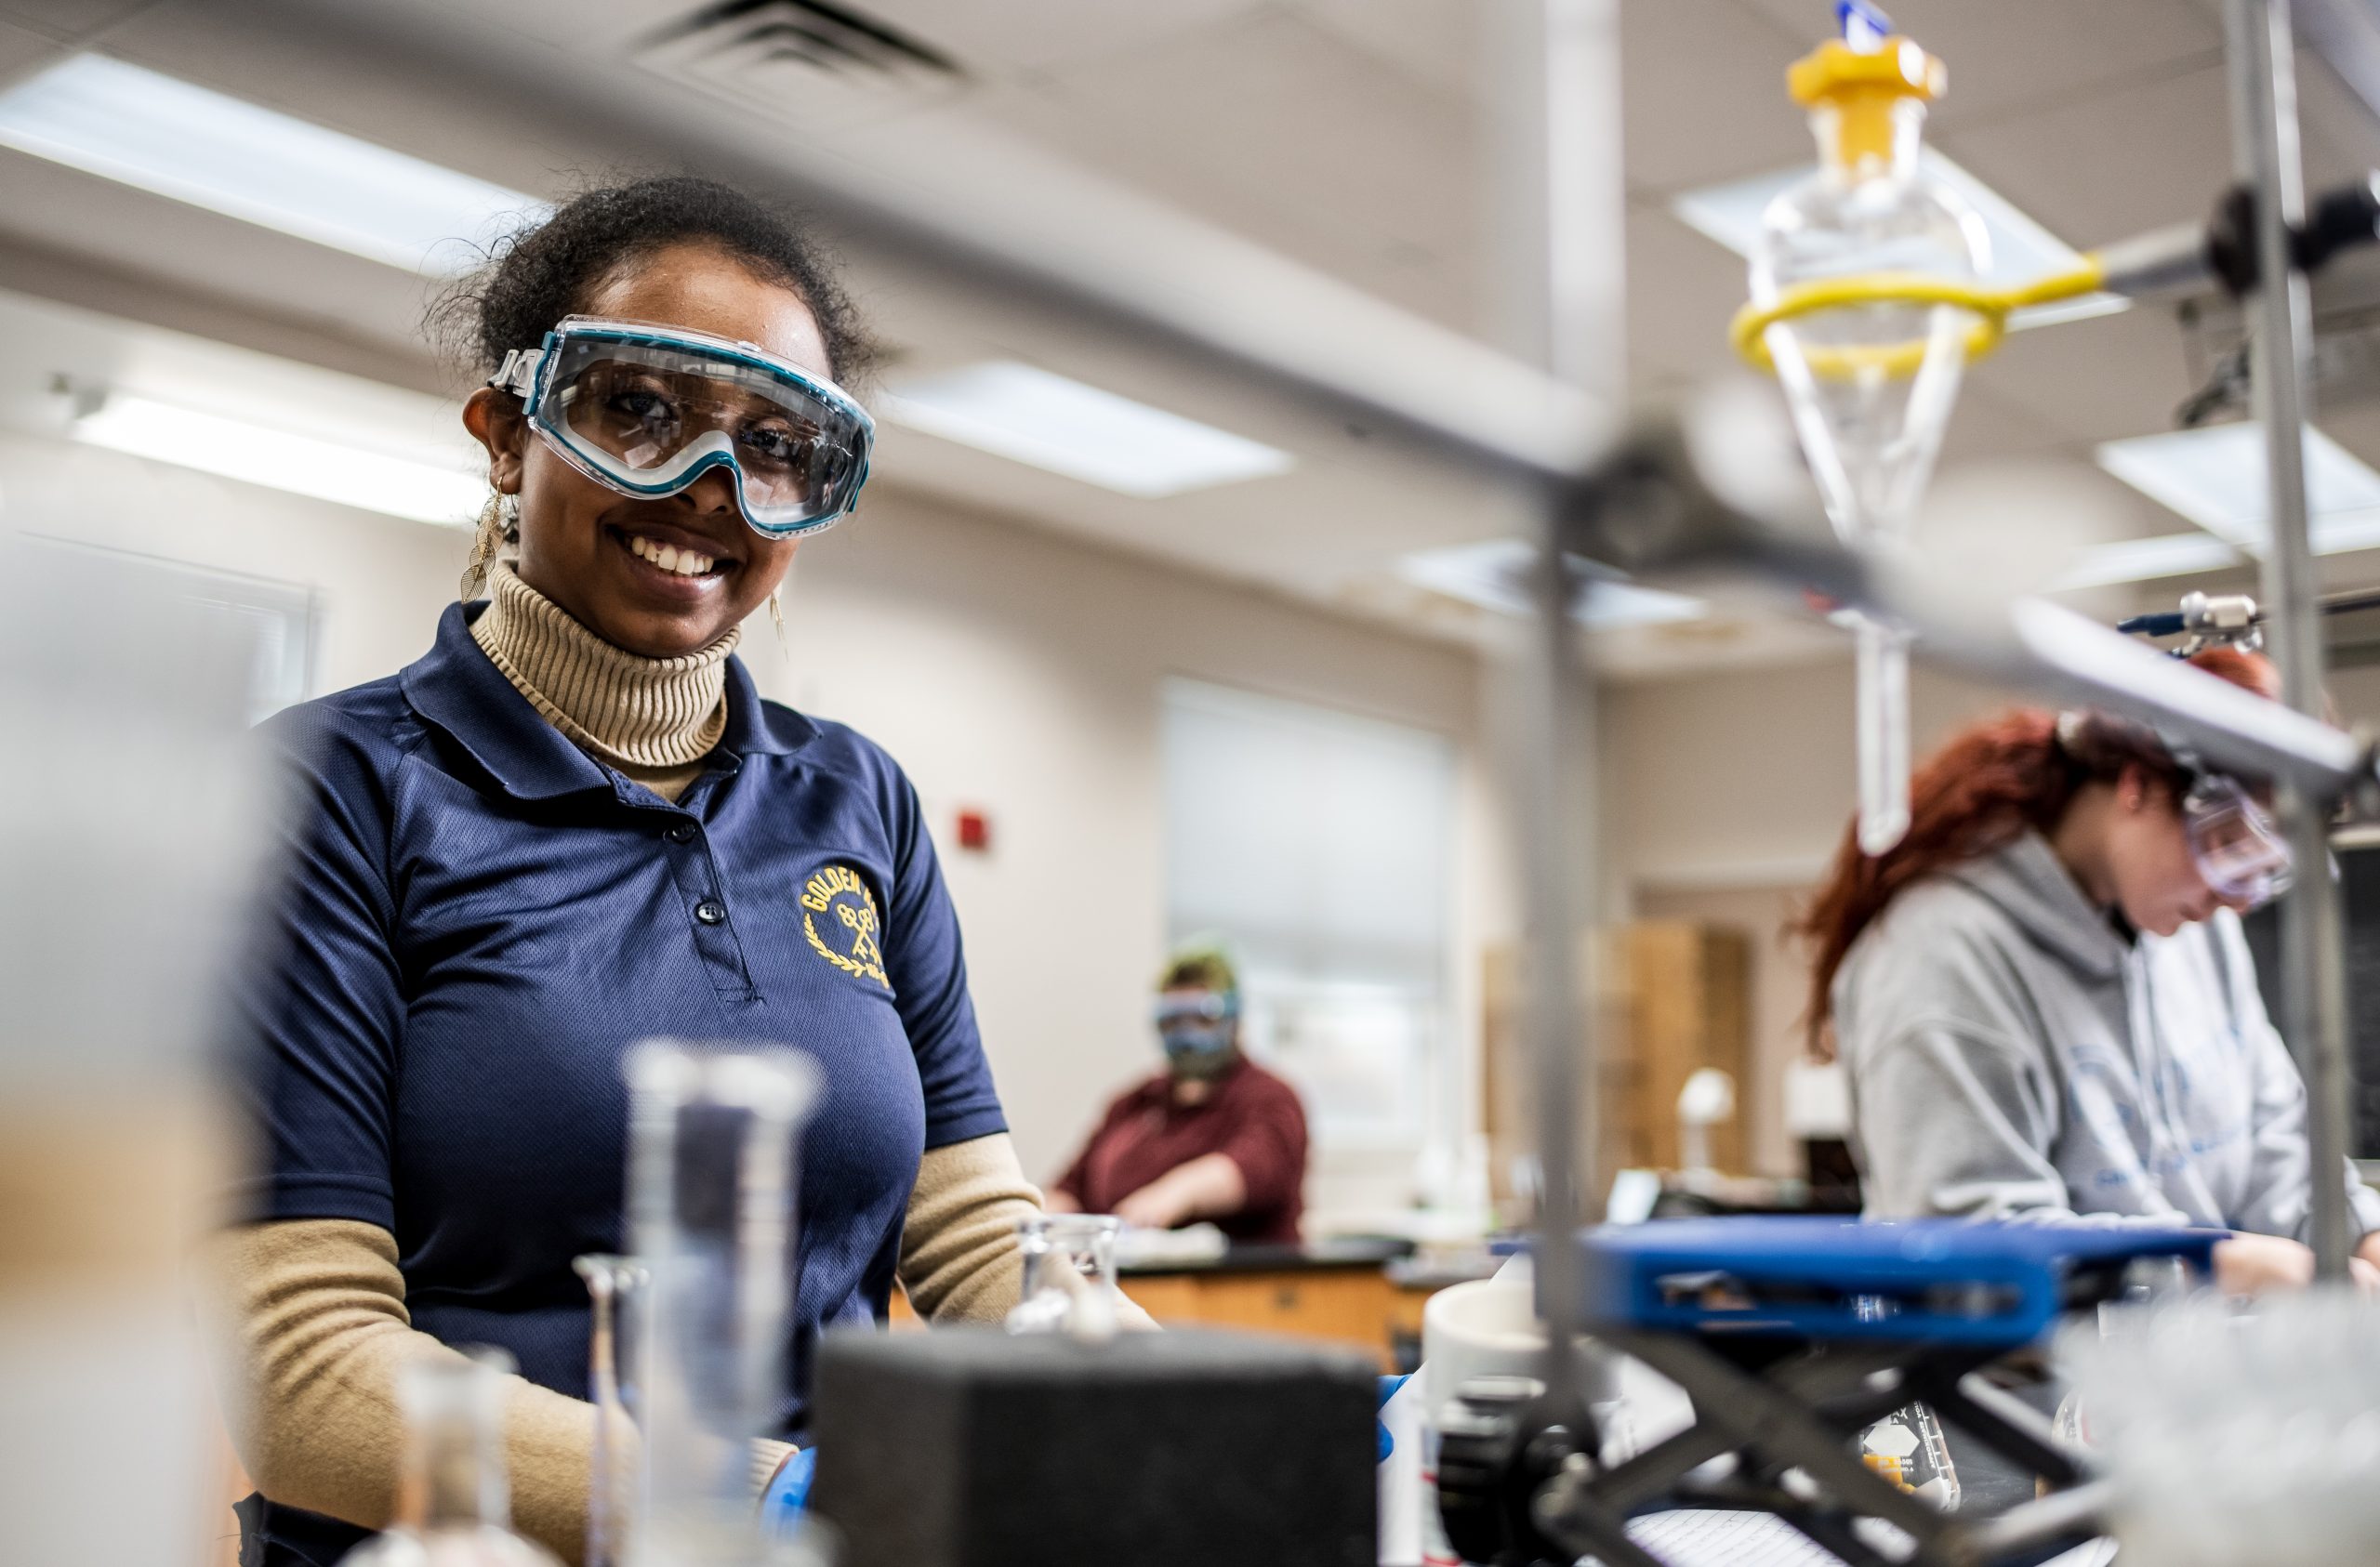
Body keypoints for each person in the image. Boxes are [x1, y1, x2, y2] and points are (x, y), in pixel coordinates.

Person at [211, 178, 1083, 1567]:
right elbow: (304, 1378)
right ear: (507, 434)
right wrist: (760, 1500)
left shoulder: (858, 799)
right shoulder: (328, 792)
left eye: (775, 447)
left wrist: (1219, 1418)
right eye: (640, 411)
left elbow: (981, 1244)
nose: (708, 490)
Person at [1798, 646, 2380, 1297]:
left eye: (2266, 869)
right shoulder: (1937, 959)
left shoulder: (2194, 928)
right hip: (2022, 1397)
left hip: (2194, 1378)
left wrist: (2362, 1236)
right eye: (2230, 846)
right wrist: (2222, 1266)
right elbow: (1968, 1256)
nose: (2239, 899)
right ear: (2136, 786)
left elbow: (2279, 1157)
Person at [1047, 943, 1309, 1242]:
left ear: (1234, 1020)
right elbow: (1070, 1187)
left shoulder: (1270, 1097)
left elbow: (1254, 1168)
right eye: (1173, 1021)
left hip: (1239, 1282)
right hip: (1121, 1278)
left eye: (1203, 1019)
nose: (1187, 1036)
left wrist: (1174, 1196)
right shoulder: (1133, 1102)